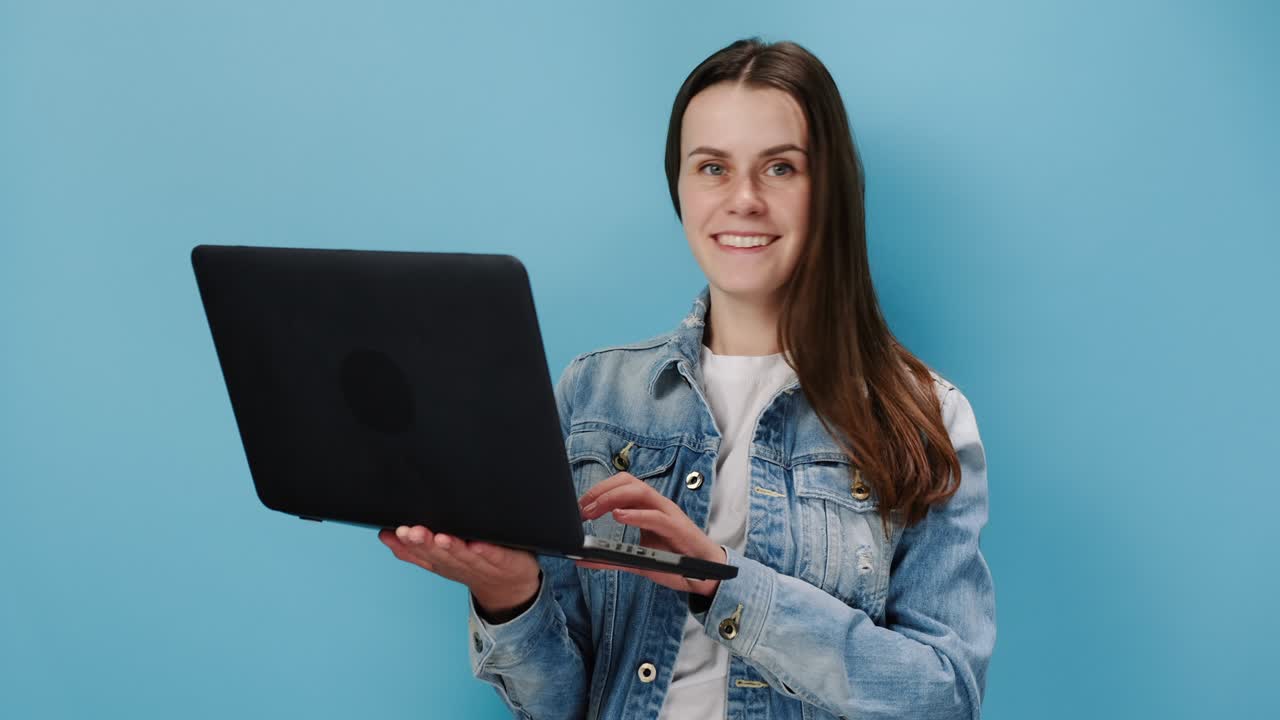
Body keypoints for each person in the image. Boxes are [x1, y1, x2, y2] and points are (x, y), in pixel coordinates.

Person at [379, 37, 995, 719]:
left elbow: (944, 697)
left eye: (781, 168)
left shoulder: (922, 414)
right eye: (712, 167)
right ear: (679, 184)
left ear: (831, 189)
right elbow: (554, 705)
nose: (744, 200)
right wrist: (511, 595)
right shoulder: (594, 396)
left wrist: (717, 584)